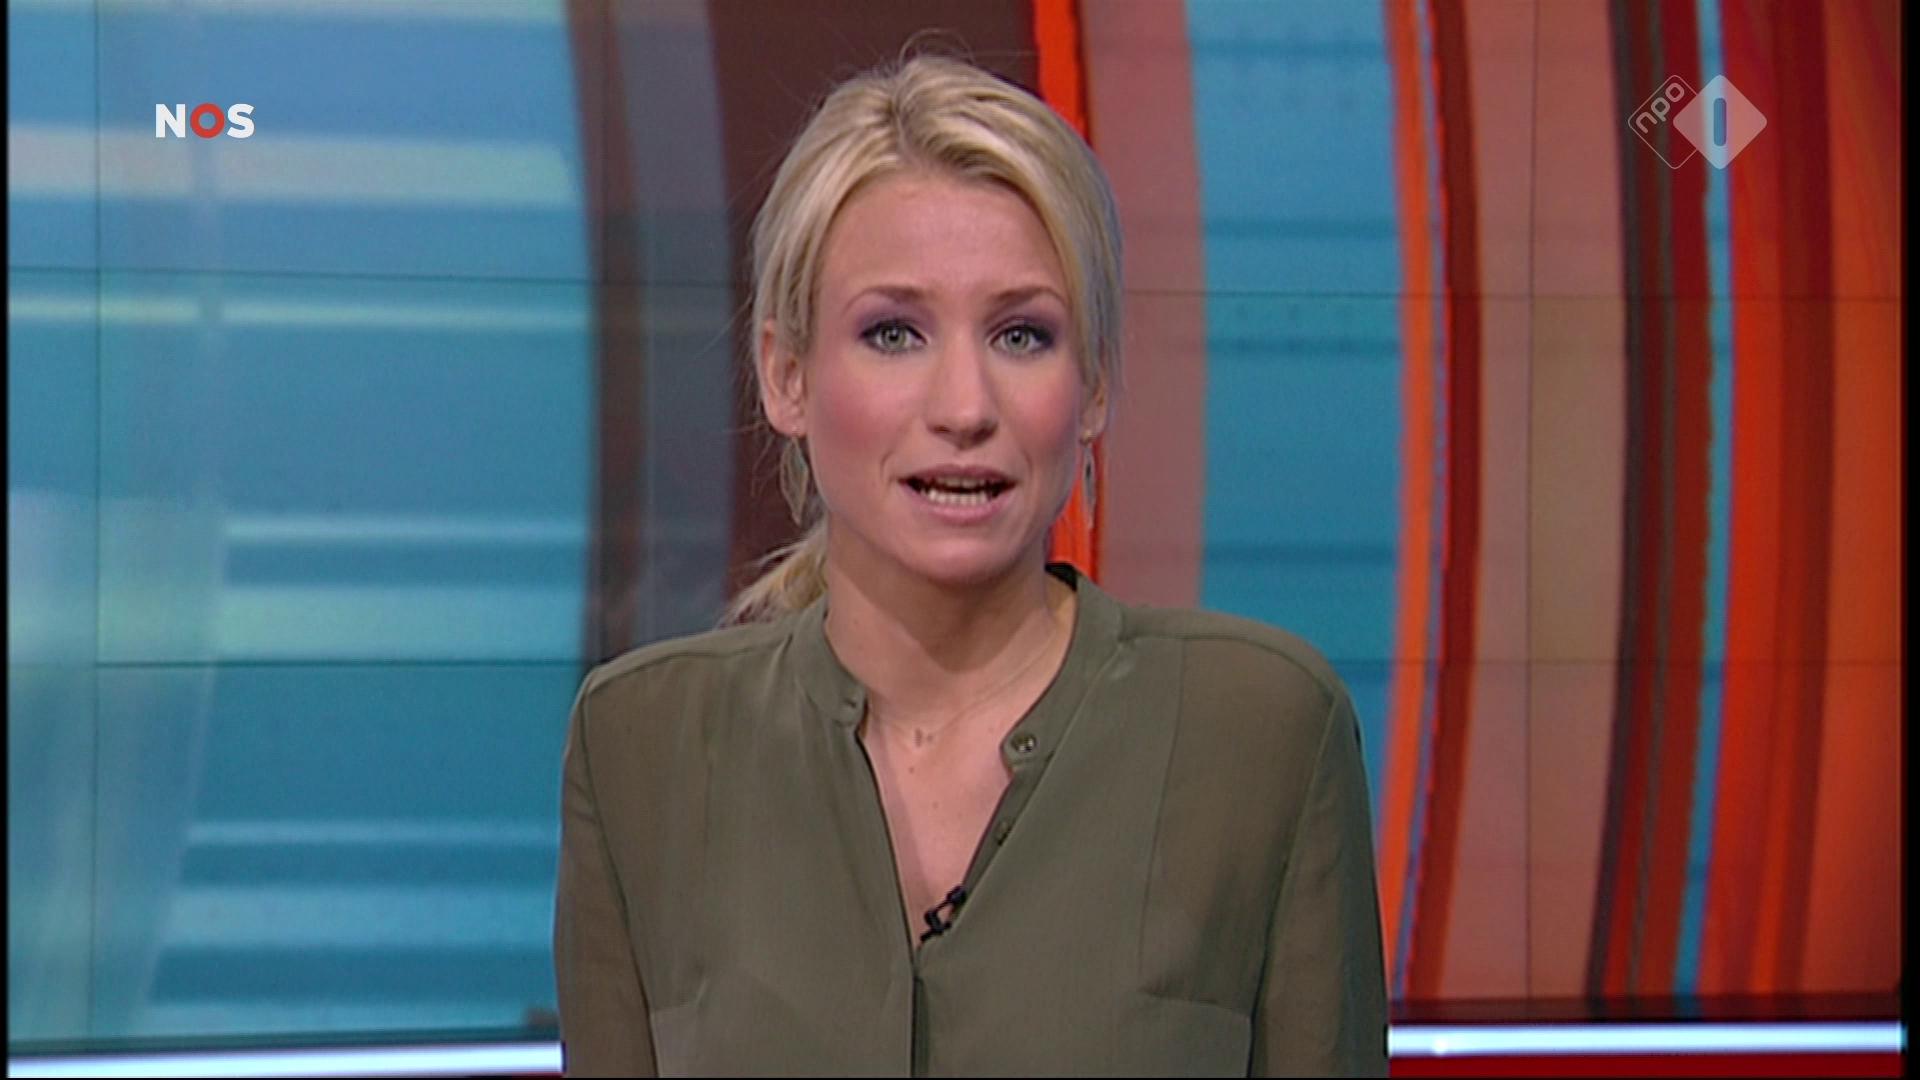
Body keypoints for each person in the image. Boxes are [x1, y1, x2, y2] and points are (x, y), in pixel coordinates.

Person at [553, 53, 1387, 1077]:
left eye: (1022, 335)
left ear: (1093, 386)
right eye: (893, 332)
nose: (964, 406)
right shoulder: (641, 747)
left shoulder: (1262, 733)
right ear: (785, 373)